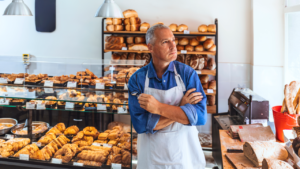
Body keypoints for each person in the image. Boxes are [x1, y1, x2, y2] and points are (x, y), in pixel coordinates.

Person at [128, 24, 207, 169]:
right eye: (165, 42)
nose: (173, 46)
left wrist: (158, 108)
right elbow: (141, 126)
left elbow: (199, 117)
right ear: (150, 47)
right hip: (151, 160)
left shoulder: (187, 74)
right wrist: (182, 109)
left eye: (173, 40)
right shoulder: (137, 79)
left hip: (185, 158)